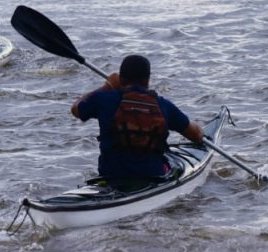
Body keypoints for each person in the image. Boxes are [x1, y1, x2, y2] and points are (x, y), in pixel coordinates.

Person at [71, 54, 204, 179]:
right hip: (153, 173)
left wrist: (107, 86)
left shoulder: (103, 99)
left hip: (110, 173)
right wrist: (200, 129)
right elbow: (196, 136)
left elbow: (76, 109)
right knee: (173, 163)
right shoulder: (163, 105)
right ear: (148, 80)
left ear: (120, 79)